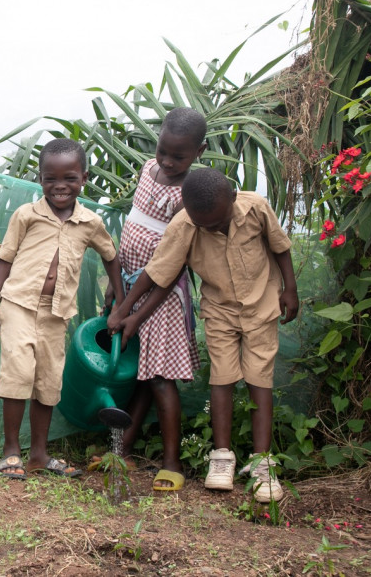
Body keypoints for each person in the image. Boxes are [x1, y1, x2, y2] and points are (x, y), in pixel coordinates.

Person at [108, 168, 298, 502]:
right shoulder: (186, 224)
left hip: (262, 304)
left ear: (233, 200)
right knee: (222, 378)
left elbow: (280, 246)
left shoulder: (254, 207)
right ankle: (222, 458)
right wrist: (125, 314)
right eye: (205, 226)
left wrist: (290, 289)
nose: (212, 229)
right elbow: (158, 272)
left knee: (259, 378)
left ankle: (262, 465)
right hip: (219, 309)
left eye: (218, 223)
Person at [0, 138, 125, 480]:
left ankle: (40, 455)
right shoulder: (26, 215)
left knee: (47, 381)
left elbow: (112, 257)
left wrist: (118, 299)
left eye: (70, 178)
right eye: (51, 179)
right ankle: (12, 452)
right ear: (40, 179)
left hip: (56, 313)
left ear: (84, 178)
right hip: (17, 304)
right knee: (18, 373)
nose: (60, 186)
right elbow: (5, 260)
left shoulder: (90, 223)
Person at [94, 108, 206, 493]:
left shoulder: (186, 195)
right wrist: (117, 289)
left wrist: (134, 314)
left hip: (161, 298)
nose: (168, 162)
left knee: (159, 378)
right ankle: (121, 450)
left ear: (199, 151)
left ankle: (172, 463)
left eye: (179, 156)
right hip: (129, 286)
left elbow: (169, 266)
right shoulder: (146, 170)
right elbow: (133, 229)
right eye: (163, 151)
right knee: (141, 376)